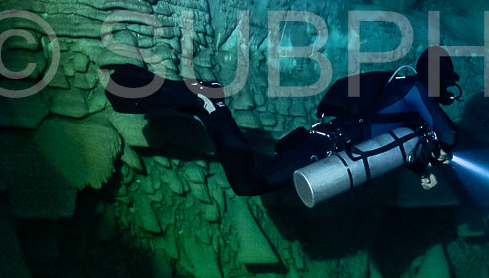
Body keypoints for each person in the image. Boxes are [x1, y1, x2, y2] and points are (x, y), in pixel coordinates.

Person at [103, 46, 460, 199]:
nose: (446, 96)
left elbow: (390, 134)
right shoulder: (412, 87)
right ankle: (209, 104)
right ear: (438, 79)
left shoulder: (408, 98)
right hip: (326, 147)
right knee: (249, 182)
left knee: (255, 178)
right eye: (446, 87)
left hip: (329, 148)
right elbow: (448, 133)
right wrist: (442, 151)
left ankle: (202, 107)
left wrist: (421, 167)